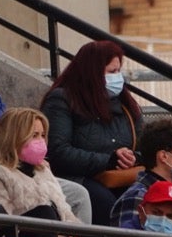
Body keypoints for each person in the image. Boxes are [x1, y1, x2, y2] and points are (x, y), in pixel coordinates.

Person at [41, 39, 142, 225]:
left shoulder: (126, 105)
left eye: (119, 71)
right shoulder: (62, 100)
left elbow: (143, 144)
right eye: (112, 72)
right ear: (93, 74)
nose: (118, 78)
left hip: (120, 177)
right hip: (79, 177)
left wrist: (132, 157)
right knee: (108, 206)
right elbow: (57, 151)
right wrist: (109, 160)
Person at [0, 106, 80, 237]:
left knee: (92, 236)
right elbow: (4, 224)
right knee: (45, 213)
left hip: (56, 236)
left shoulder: (43, 170)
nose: (41, 141)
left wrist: (70, 228)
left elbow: (65, 210)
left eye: (43, 135)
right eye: (34, 135)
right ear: (14, 137)